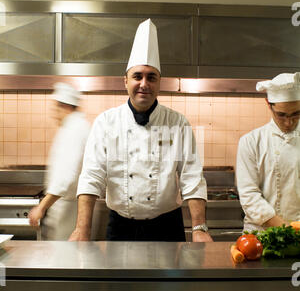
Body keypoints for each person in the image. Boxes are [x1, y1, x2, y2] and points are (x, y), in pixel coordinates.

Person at [69, 18, 212, 242]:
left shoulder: (178, 123)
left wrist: (200, 229)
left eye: (151, 77)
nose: (144, 84)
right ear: (125, 80)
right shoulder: (106, 122)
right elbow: (91, 176)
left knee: (171, 280)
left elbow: (192, 178)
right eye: (137, 76)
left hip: (167, 228)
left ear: (159, 82)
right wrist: (81, 229)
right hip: (120, 228)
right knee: (120, 279)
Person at [236, 72, 300, 232]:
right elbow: (249, 194)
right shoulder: (251, 141)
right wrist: (286, 231)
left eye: (296, 114)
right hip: (260, 235)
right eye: (281, 115)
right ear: (268, 103)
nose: (289, 122)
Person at [29, 83, 91, 240]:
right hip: (64, 207)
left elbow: (66, 178)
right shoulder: (72, 127)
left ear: (64, 106)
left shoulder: (75, 129)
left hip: (68, 210)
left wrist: (41, 207)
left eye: (55, 107)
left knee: (66, 258)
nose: (53, 113)